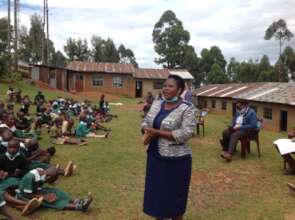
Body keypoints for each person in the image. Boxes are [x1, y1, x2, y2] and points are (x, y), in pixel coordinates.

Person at [141, 75, 196, 220]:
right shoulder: (157, 104)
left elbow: (186, 133)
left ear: (179, 90)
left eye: (170, 86)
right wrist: (146, 129)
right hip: (155, 157)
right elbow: (145, 121)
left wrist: (157, 132)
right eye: (164, 85)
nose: (165, 88)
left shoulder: (187, 108)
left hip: (177, 161)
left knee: (175, 197)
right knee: (158, 195)